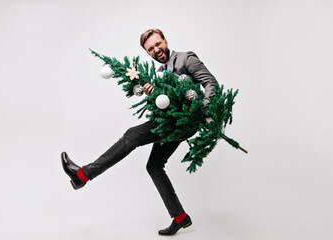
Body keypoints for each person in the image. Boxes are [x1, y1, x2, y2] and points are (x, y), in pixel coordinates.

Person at [61, 29, 218, 236]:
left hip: (184, 121)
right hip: (170, 120)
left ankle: (83, 175)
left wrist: (204, 111)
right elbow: (166, 101)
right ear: (148, 53)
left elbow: (210, 82)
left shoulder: (186, 58)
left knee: (132, 135)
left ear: (165, 41)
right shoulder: (161, 71)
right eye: (150, 49)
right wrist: (152, 93)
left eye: (158, 44)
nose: (156, 50)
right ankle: (180, 217)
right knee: (154, 166)